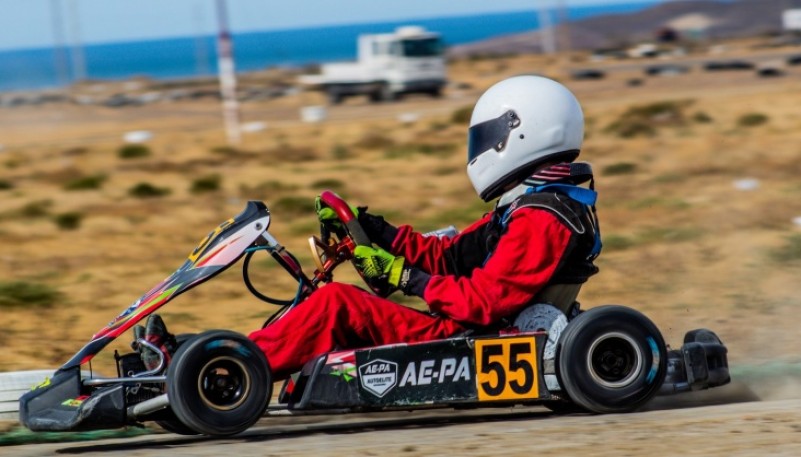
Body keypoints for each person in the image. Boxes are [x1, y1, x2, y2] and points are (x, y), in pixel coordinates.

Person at [138, 75, 602, 381]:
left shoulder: (542, 219)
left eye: (488, 138)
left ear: (522, 133)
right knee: (316, 299)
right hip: (463, 326)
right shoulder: (525, 207)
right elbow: (448, 256)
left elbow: (484, 303)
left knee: (335, 303)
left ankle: (217, 373)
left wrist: (404, 277)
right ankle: (192, 359)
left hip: (468, 339)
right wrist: (372, 229)